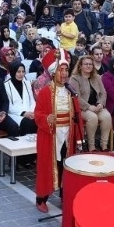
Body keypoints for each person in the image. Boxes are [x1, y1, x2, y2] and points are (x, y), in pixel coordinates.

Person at [34, 50, 83, 215]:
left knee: (66, 165)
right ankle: (41, 198)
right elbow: (38, 114)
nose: (64, 74)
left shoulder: (71, 91)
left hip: (68, 133)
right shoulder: (45, 92)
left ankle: (65, 194)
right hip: (51, 134)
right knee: (48, 166)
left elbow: (77, 114)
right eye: (61, 71)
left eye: (66, 71)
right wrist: (47, 118)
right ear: (54, 72)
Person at [69, 55, 112, 151]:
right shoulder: (75, 78)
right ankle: (91, 145)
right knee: (92, 117)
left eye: (90, 64)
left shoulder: (96, 77)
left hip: (97, 106)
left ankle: (104, 144)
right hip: (83, 108)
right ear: (80, 66)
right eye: (86, 64)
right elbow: (76, 97)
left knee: (107, 116)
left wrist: (101, 103)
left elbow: (103, 93)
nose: (88, 66)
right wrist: (89, 107)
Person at [4, 62, 37, 136]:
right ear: (13, 72)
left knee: (37, 120)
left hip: (29, 112)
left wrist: (32, 112)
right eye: (18, 72)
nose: (21, 74)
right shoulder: (5, 85)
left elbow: (32, 100)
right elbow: (8, 105)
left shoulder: (27, 83)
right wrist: (23, 113)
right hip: (14, 114)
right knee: (27, 123)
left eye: (23, 71)